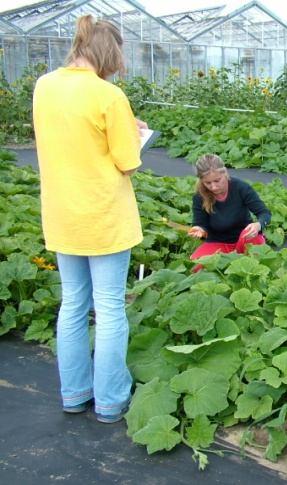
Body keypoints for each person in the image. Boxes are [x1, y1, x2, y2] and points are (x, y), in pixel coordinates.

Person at [32, 15, 145, 423]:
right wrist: (133, 133)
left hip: (63, 216)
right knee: (111, 309)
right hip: (104, 217)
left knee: (73, 305)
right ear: (108, 51)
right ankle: (111, 400)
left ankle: (74, 393)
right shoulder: (108, 96)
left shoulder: (44, 87)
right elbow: (127, 162)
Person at [188, 154, 271, 262]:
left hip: (244, 238)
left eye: (217, 181)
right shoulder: (199, 196)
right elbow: (200, 223)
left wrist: (258, 224)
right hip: (218, 242)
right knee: (196, 265)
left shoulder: (241, 188)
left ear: (225, 173)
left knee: (258, 256)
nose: (213, 187)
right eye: (208, 183)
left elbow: (264, 213)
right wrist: (199, 229)